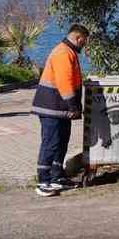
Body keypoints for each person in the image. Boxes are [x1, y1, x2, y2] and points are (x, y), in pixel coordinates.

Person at [32, 25, 89, 197]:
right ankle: (43, 180)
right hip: (52, 108)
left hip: (58, 109)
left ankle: (57, 177)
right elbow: (65, 82)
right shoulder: (63, 53)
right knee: (51, 143)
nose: (85, 45)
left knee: (61, 142)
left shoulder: (68, 52)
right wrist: (73, 106)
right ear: (79, 38)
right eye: (85, 41)